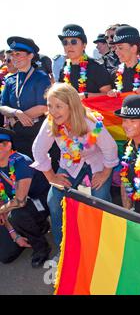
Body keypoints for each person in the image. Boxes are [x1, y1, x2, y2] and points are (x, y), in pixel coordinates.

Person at [31, 83, 119, 249]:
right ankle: (63, 247)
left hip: (97, 162)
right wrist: (52, 177)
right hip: (70, 164)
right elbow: (38, 150)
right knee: (54, 200)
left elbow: (110, 147)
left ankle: (106, 242)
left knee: (100, 198)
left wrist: (106, 173)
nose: (53, 111)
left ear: (71, 106)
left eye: (58, 106)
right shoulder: (51, 122)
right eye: (50, 105)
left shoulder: (91, 122)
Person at [0, 128, 51, 268]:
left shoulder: (21, 162)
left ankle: (41, 248)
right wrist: (13, 234)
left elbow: (20, 201)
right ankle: (37, 226)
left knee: (17, 215)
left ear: (8, 145)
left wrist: (2, 210)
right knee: (5, 255)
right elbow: (2, 199)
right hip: (16, 206)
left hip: (41, 201)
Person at [0, 37, 51, 159]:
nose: (14, 58)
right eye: (12, 54)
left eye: (18, 54)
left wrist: (17, 118)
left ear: (30, 56)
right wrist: (16, 112)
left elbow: (43, 107)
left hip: (37, 133)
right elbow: (2, 106)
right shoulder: (10, 79)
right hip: (17, 135)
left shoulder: (41, 77)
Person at [58, 24, 112, 99]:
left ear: (84, 45)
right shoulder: (65, 68)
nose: (69, 46)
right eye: (65, 42)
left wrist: (86, 96)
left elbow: (108, 95)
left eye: (73, 42)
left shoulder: (96, 67)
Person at [107, 25, 140, 95]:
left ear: (134, 48)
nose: (116, 52)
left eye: (120, 48)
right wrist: (111, 94)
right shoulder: (113, 74)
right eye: (116, 48)